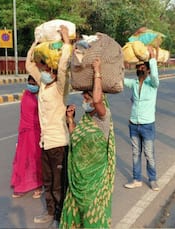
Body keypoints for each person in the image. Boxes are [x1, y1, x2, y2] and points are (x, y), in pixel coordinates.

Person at [60, 58, 116, 229]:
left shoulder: (103, 118)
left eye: (87, 98)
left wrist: (97, 70)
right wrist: (70, 120)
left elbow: (98, 101)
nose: (85, 101)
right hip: (78, 178)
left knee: (93, 219)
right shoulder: (85, 119)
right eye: (83, 98)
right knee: (75, 215)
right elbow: (76, 138)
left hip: (96, 181)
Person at [25, 25, 71, 226]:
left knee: (59, 184)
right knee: (48, 182)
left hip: (59, 142)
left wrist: (67, 43)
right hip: (45, 142)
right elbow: (28, 65)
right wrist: (36, 44)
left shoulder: (61, 86)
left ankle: (61, 215)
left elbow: (63, 67)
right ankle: (51, 212)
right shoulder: (43, 84)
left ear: (51, 70)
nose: (41, 70)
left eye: (44, 68)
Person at [124, 46, 160, 191]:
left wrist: (152, 59)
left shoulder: (152, 84)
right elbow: (120, 80)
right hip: (133, 124)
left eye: (143, 67)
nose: (141, 69)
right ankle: (137, 179)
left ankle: (152, 179)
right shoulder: (133, 83)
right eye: (139, 67)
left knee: (148, 154)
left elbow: (156, 78)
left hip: (147, 125)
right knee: (135, 153)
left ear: (148, 70)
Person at [10, 75, 43, 199]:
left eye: (34, 83)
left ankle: (38, 186)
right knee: (24, 159)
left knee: (35, 159)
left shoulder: (39, 97)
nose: (31, 85)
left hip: (35, 132)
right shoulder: (26, 96)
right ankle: (22, 186)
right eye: (30, 83)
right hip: (26, 133)